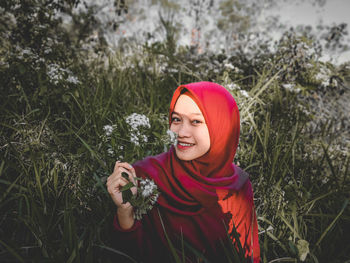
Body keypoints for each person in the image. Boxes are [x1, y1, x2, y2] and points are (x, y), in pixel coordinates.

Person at [107, 81, 260, 262]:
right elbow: (129, 255)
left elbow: (246, 256)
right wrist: (125, 211)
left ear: (221, 126)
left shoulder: (237, 185)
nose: (181, 132)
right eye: (177, 119)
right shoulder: (146, 174)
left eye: (195, 121)